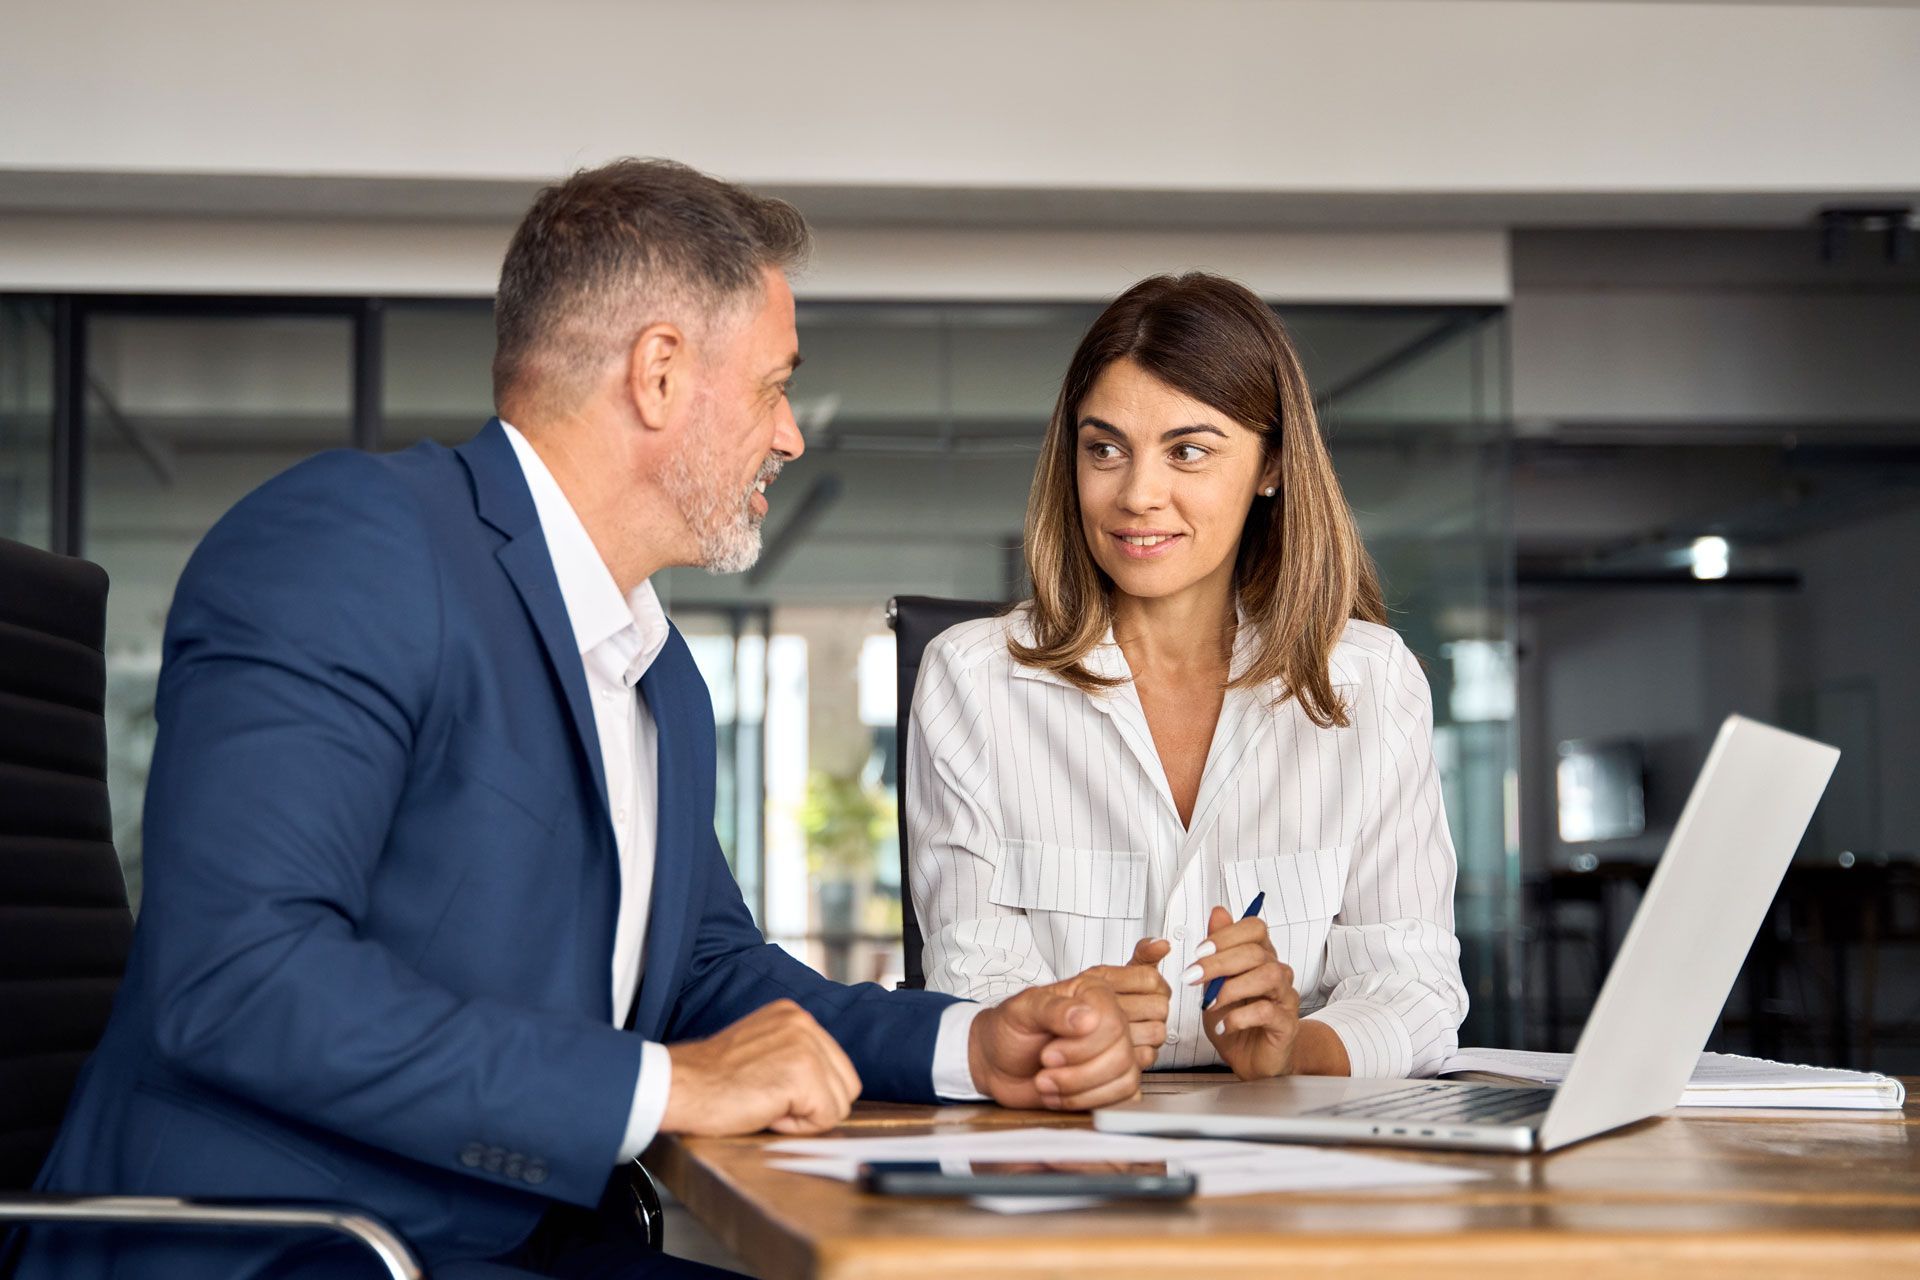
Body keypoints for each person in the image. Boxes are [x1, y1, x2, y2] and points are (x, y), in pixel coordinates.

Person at [9, 160, 1142, 1280]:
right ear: (659, 374)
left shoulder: (659, 671)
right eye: (771, 385)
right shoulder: (355, 543)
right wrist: (666, 1085)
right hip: (276, 1246)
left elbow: (710, 974)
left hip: (498, 1235)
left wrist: (970, 1044)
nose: (791, 434)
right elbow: (244, 975)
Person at [908, 273, 1468, 1084]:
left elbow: (1415, 989)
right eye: (1105, 450)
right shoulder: (973, 680)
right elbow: (972, 983)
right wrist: (1074, 1024)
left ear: (1270, 465)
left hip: (1291, 1167)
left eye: (1189, 452)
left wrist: (1291, 1050)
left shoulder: (1370, 684)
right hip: (1066, 1158)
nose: (1137, 495)